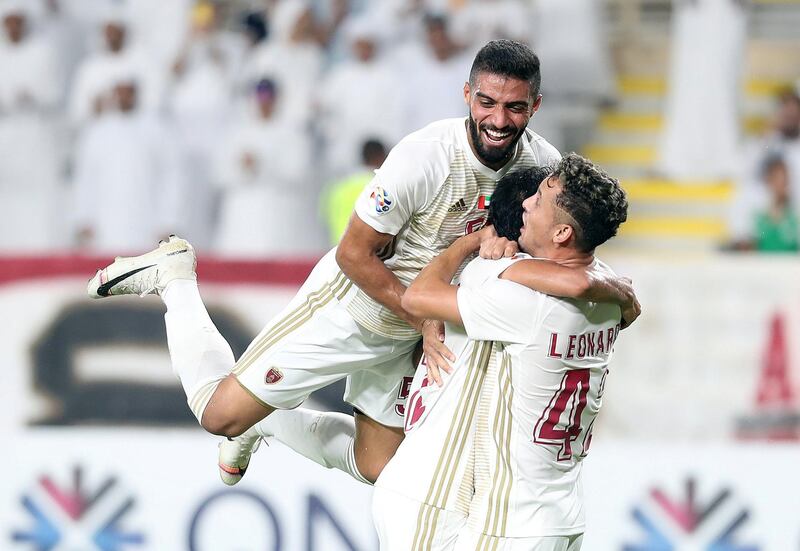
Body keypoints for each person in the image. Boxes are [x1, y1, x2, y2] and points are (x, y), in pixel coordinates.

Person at [86, 40, 636, 489]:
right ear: (467, 94)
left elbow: (571, 247)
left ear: (534, 106)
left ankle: (270, 422)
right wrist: (422, 314)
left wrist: (611, 284)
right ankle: (177, 278)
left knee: (382, 469)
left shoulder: (543, 165)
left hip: (426, 322)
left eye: (514, 107)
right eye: (487, 102)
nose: (498, 119)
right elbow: (354, 254)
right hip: (355, 305)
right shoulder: (425, 157)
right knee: (218, 416)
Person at [374, 154, 628, 550]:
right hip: (563, 516)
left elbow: (419, 297)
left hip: (509, 523)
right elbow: (613, 296)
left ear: (562, 233)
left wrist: (472, 241)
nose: (527, 203)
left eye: (540, 200)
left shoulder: (525, 300)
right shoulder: (611, 294)